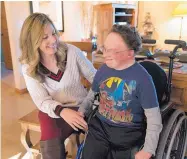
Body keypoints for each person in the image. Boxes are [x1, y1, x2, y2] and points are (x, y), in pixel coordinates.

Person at [19, 13, 96, 159]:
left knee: (100, 138)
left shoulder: (72, 52)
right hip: (55, 111)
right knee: (48, 132)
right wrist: (63, 111)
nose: (53, 40)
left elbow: (96, 79)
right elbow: (42, 101)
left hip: (82, 106)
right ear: (32, 41)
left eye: (53, 33)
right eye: (45, 37)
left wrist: (87, 104)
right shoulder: (28, 67)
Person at [80, 25, 163, 159]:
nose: (105, 54)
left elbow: (154, 119)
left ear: (130, 53)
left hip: (127, 134)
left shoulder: (143, 79)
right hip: (100, 128)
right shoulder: (102, 70)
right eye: (104, 48)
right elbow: (91, 96)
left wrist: (148, 149)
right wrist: (82, 110)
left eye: (112, 51)